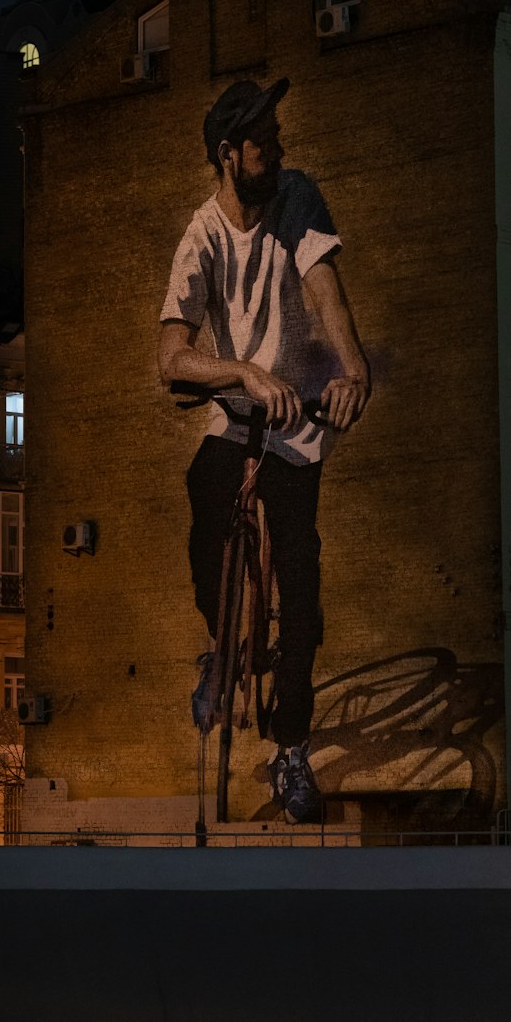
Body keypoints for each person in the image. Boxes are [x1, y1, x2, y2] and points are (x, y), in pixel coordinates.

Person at [158, 78, 369, 823]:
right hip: (239, 417)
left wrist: (352, 368)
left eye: (278, 139)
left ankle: (290, 748)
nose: (277, 152)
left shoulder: (298, 198)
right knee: (201, 500)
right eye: (262, 144)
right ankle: (223, 647)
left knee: (303, 599)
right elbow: (172, 357)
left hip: (300, 429)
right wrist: (244, 372)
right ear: (227, 155)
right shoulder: (202, 235)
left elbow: (322, 290)